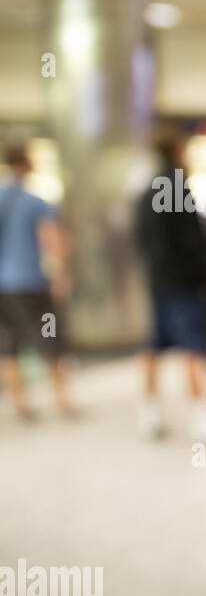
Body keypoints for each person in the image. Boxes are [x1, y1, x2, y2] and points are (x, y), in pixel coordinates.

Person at [135, 135, 206, 442]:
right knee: (194, 349)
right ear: (177, 150)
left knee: (154, 348)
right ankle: (203, 419)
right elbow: (191, 241)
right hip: (185, 285)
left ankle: (149, 414)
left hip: (158, 283)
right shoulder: (175, 186)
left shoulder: (145, 192)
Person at [0, 146, 75, 419]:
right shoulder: (33, 201)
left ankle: (20, 404)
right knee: (49, 338)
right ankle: (62, 400)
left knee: (8, 344)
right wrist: (59, 274)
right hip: (30, 282)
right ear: (26, 162)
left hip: (3, 286)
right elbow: (51, 239)